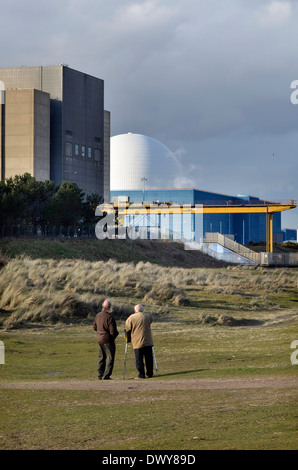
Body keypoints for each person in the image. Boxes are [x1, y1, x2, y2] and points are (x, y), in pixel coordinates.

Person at [125, 304, 154, 379]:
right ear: (142, 310)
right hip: (148, 341)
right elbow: (151, 321)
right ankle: (150, 373)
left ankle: (141, 374)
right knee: (149, 359)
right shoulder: (148, 316)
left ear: (135, 311)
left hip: (137, 342)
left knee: (139, 360)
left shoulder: (131, 317)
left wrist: (127, 338)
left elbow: (127, 328)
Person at [93, 299, 119, 380]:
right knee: (110, 358)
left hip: (100, 339)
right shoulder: (110, 317)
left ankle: (100, 374)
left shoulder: (98, 315)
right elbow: (113, 331)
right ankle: (106, 375)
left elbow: (94, 327)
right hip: (108, 340)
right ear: (110, 307)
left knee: (101, 357)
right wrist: (114, 336)